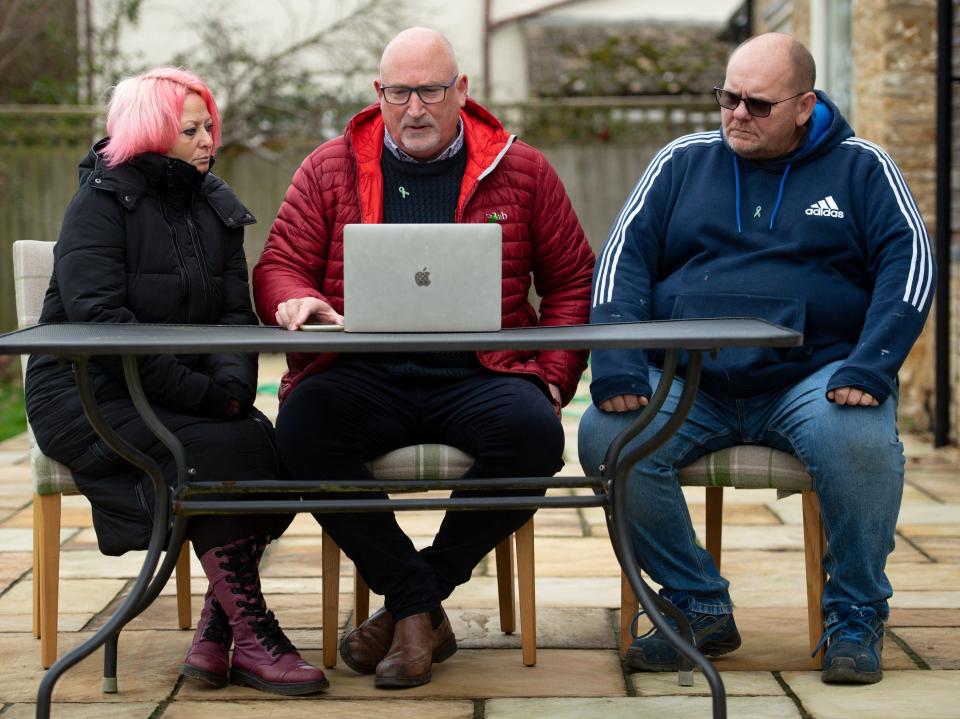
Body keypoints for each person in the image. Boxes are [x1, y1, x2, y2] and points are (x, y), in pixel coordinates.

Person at [578, 33, 934, 685]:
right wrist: (619, 363)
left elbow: (911, 264)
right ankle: (698, 601)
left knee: (860, 438)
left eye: (757, 104)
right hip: (690, 380)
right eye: (728, 97)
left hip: (811, 377)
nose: (736, 113)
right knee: (607, 434)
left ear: (804, 105)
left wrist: (871, 364)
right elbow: (620, 262)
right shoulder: (680, 163)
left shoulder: (862, 168)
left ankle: (855, 612)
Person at [253, 27, 594, 689]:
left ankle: (410, 602)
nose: (415, 108)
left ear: (461, 92)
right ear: (378, 95)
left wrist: (553, 376)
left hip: (481, 372)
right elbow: (278, 265)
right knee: (300, 429)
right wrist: (294, 300)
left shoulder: (522, 170)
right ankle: (418, 604)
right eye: (399, 92)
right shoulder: (330, 168)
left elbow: (572, 278)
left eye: (431, 91)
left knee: (535, 436)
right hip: (359, 375)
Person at [24, 67, 328, 696]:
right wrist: (210, 397)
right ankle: (254, 630)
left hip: (180, 391)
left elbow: (234, 316)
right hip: (85, 394)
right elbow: (105, 329)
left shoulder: (213, 205)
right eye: (189, 129)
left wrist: (234, 390)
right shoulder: (100, 204)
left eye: (208, 125)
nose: (206, 140)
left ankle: (221, 633)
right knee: (219, 452)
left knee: (284, 447)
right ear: (151, 132)